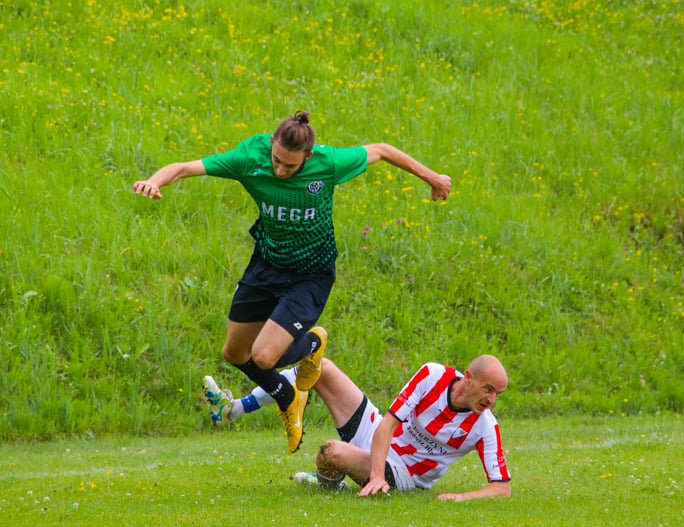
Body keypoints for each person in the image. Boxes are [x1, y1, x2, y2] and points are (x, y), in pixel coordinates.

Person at [133, 111, 451, 453]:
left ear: (308, 157)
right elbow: (184, 167)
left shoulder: (328, 163)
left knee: (265, 356)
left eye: (290, 166)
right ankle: (287, 396)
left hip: (309, 275)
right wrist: (155, 180)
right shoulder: (250, 157)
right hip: (266, 266)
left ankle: (311, 344)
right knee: (235, 352)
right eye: (277, 161)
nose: (280, 171)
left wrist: (432, 178)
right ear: (271, 144)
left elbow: (382, 150)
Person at [203, 356, 512, 501]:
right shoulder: (432, 375)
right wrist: (375, 475)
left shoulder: (485, 427)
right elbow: (388, 423)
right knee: (319, 366)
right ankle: (232, 409)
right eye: (488, 389)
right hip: (378, 435)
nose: (492, 399)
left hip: (403, 472)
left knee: (330, 452)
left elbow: (502, 487)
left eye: (497, 393)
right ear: (468, 377)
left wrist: (462, 497)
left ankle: (331, 482)